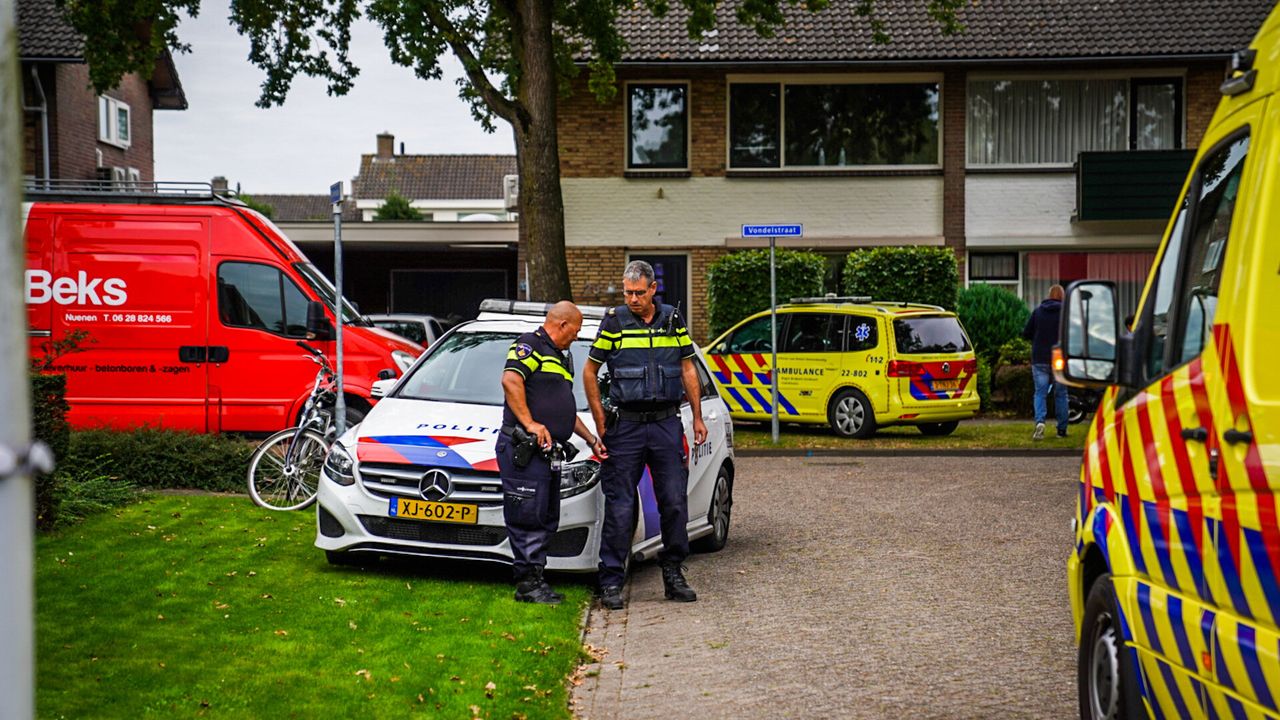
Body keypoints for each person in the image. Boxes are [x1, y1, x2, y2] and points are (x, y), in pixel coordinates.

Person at [583, 260, 707, 610]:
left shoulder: (672, 320)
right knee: (620, 507)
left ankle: (673, 574)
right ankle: (611, 582)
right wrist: (599, 420)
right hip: (627, 428)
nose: (633, 298)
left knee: (673, 501)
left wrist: (697, 417)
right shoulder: (614, 322)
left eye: (639, 292)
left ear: (653, 289)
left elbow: (687, 367)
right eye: (628, 292)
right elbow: (590, 371)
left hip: (666, 423)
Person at [498, 301, 606, 604]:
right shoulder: (529, 345)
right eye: (576, 329)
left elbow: (564, 412)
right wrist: (530, 423)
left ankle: (536, 579)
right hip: (525, 449)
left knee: (545, 517)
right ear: (561, 324)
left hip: (546, 454)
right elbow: (510, 380)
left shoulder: (559, 357)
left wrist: (591, 439)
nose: (577, 335)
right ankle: (527, 585)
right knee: (527, 517)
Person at [1023, 284, 1068, 440]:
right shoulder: (1066, 313)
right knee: (1061, 394)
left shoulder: (1038, 312)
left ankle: (1040, 423)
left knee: (1040, 393)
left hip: (1040, 357)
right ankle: (1061, 430)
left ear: (1049, 295)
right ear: (1062, 296)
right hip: (1060, 358)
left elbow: (1026, 333)